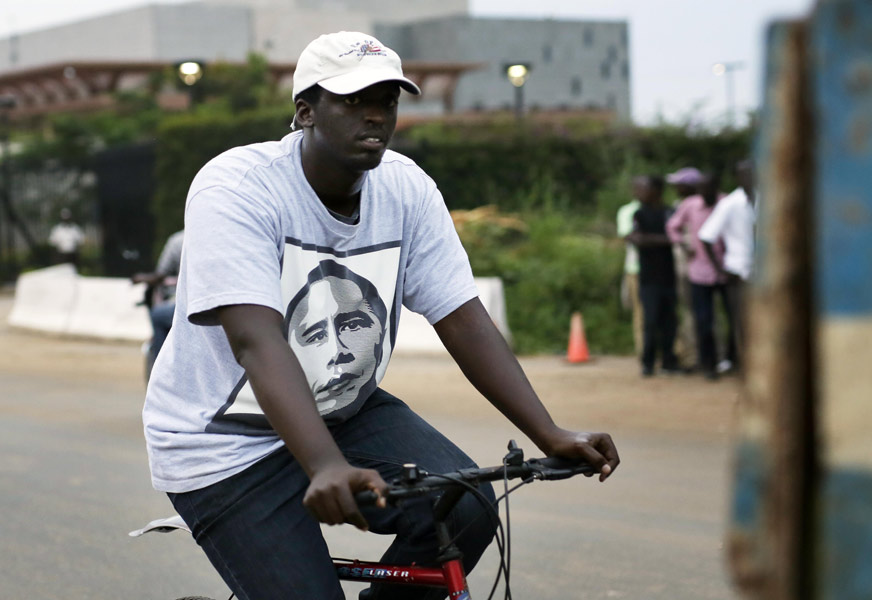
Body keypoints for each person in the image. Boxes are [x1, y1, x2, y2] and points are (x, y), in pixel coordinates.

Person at [142, 31, 619, 600]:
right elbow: (256, 341)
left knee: (466, 507)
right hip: (222, 444)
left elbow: (462, 317)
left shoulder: (406, 188)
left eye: (387, 101)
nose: (374, 115)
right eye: (352, 100)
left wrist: (549, 432)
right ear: (305, 112)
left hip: (344, 410)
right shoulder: (238, 189)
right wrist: (322, 465)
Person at [666, 172, 735, 380]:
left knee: (735, 319)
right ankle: (708, 363)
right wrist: (684, 245)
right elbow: (672, 227)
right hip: (699, 272)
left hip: (729, 271)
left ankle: (733, 360)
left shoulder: (728, 203)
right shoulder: (690, 205)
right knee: (704, 320)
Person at [698, 159, 756, 371]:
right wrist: (720, 268)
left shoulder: (769, 198)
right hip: (738, 271)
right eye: (744, 173)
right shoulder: (730, 204)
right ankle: (744, 365)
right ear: (737, 177)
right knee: (741, 321)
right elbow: (706, 236)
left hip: (763, 272)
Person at [626, 175, 678, 376]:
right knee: (650, 320)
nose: (637, 193)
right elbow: (637, 239)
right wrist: (664, 240)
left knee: (669, 322)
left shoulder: (669, 212)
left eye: (642, 189)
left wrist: (651, 239)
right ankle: (648, 363)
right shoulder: (639, 213)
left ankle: (669, 361)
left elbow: (673, 239)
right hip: (648, 278)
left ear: (656, 191)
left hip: (668, 276)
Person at [665, 167, 703, 372]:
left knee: (693, 311)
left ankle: (695, 356)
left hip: (691, 267)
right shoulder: (681, 205)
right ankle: (696, 354)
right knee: (695, 311)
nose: (675, 187)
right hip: (689, 266)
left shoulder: (691, 204)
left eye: (679, 184)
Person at [132, 230, 184, 365]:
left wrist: (141, 278)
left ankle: (161, 364)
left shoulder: (178, 240)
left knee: (158, 316)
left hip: (187, 305)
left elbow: (160, 274)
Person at [615, 188, 642, 353]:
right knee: (640, 313)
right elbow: (628, 236)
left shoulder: (664, 209)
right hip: (635, 269)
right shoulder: (628, 211)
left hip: (663, 270)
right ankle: (644, 353)